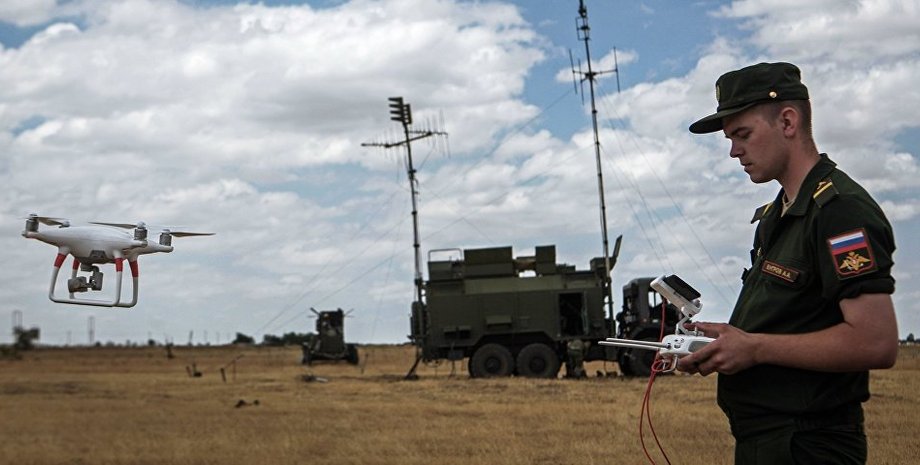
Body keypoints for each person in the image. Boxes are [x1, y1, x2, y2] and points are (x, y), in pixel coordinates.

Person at [680, 62, 899, 464]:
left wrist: (755, 348)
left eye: (742, 134)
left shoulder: (839, 212)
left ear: (787, 121)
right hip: (769, 443)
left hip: (808, 445)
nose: (733, 151)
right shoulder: (776, 216)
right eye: (730, 139)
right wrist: (731, 341)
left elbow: (876, 342)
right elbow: (794, 318)